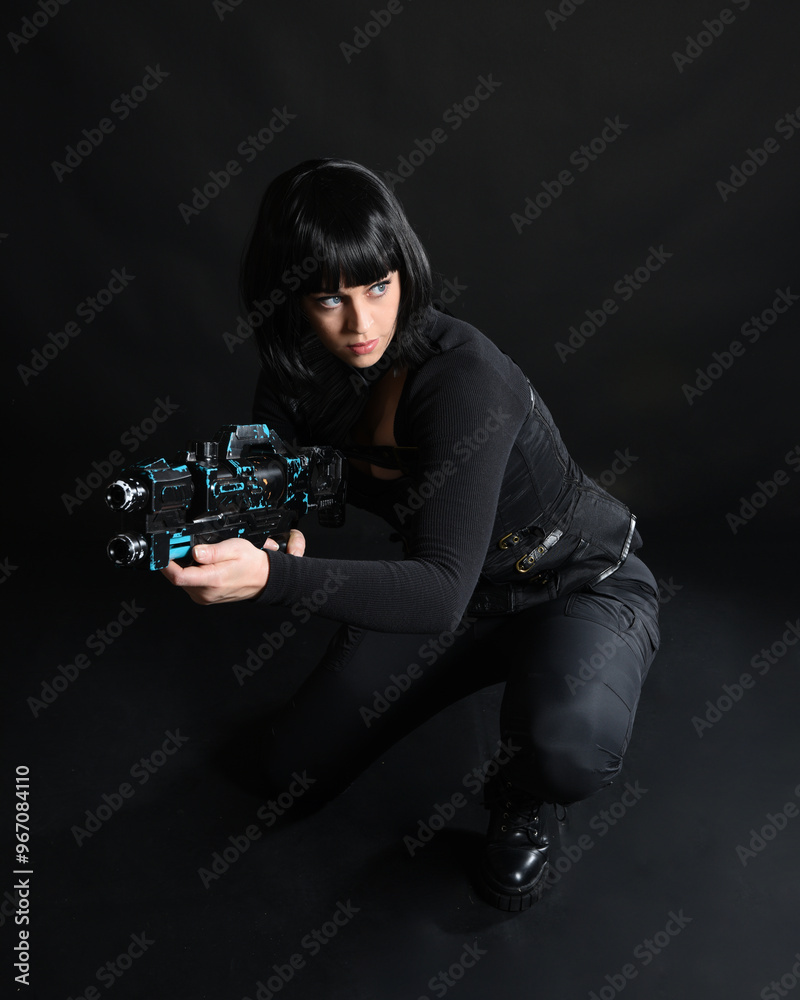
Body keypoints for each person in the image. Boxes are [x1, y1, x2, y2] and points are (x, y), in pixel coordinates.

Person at [161, 157, 660, 911]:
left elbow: (432, 596)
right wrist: (269, 527)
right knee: (283, 774)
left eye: (378, 287)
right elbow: (274, 476)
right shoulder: (296, 372)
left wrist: (274, 579)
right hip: (458, 592)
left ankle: (524, 790)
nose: (361, 325)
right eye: (329, 299)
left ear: (404, 273)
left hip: (574, 584)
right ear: (293, 299)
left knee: (567, 748)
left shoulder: (465, 381)